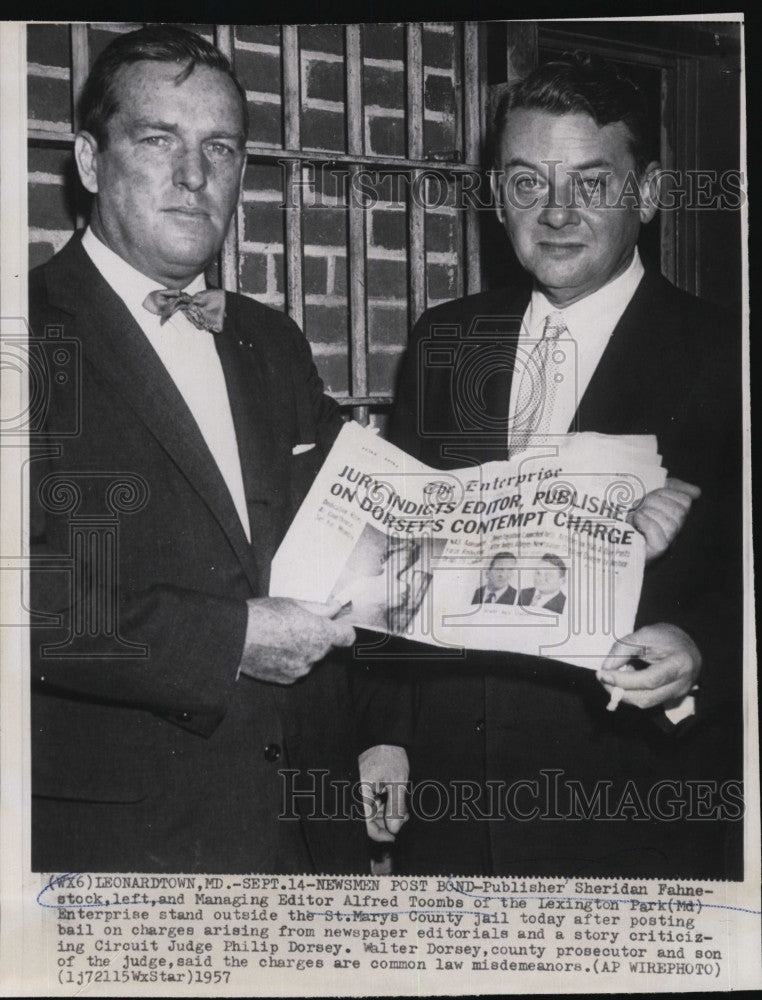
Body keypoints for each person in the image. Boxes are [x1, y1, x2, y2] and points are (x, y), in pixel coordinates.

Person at [28, 25, 409, 874]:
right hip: (129, 851)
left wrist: (379, 730)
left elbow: (355, 537)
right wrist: (228, 638)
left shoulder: (270, 340)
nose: (194, 176)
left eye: (220, 148)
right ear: (89, 163)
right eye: (158, 140)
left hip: (311, 839)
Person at [389, 54, 742, 879]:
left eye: (591, 183)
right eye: (525, 183)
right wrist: (383, 734)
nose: (555, 213)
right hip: (453, 810)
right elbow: (395, 553)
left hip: (636, 801)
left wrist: (706, 652)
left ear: (648, 196)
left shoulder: (729, 354)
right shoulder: (445, 343)